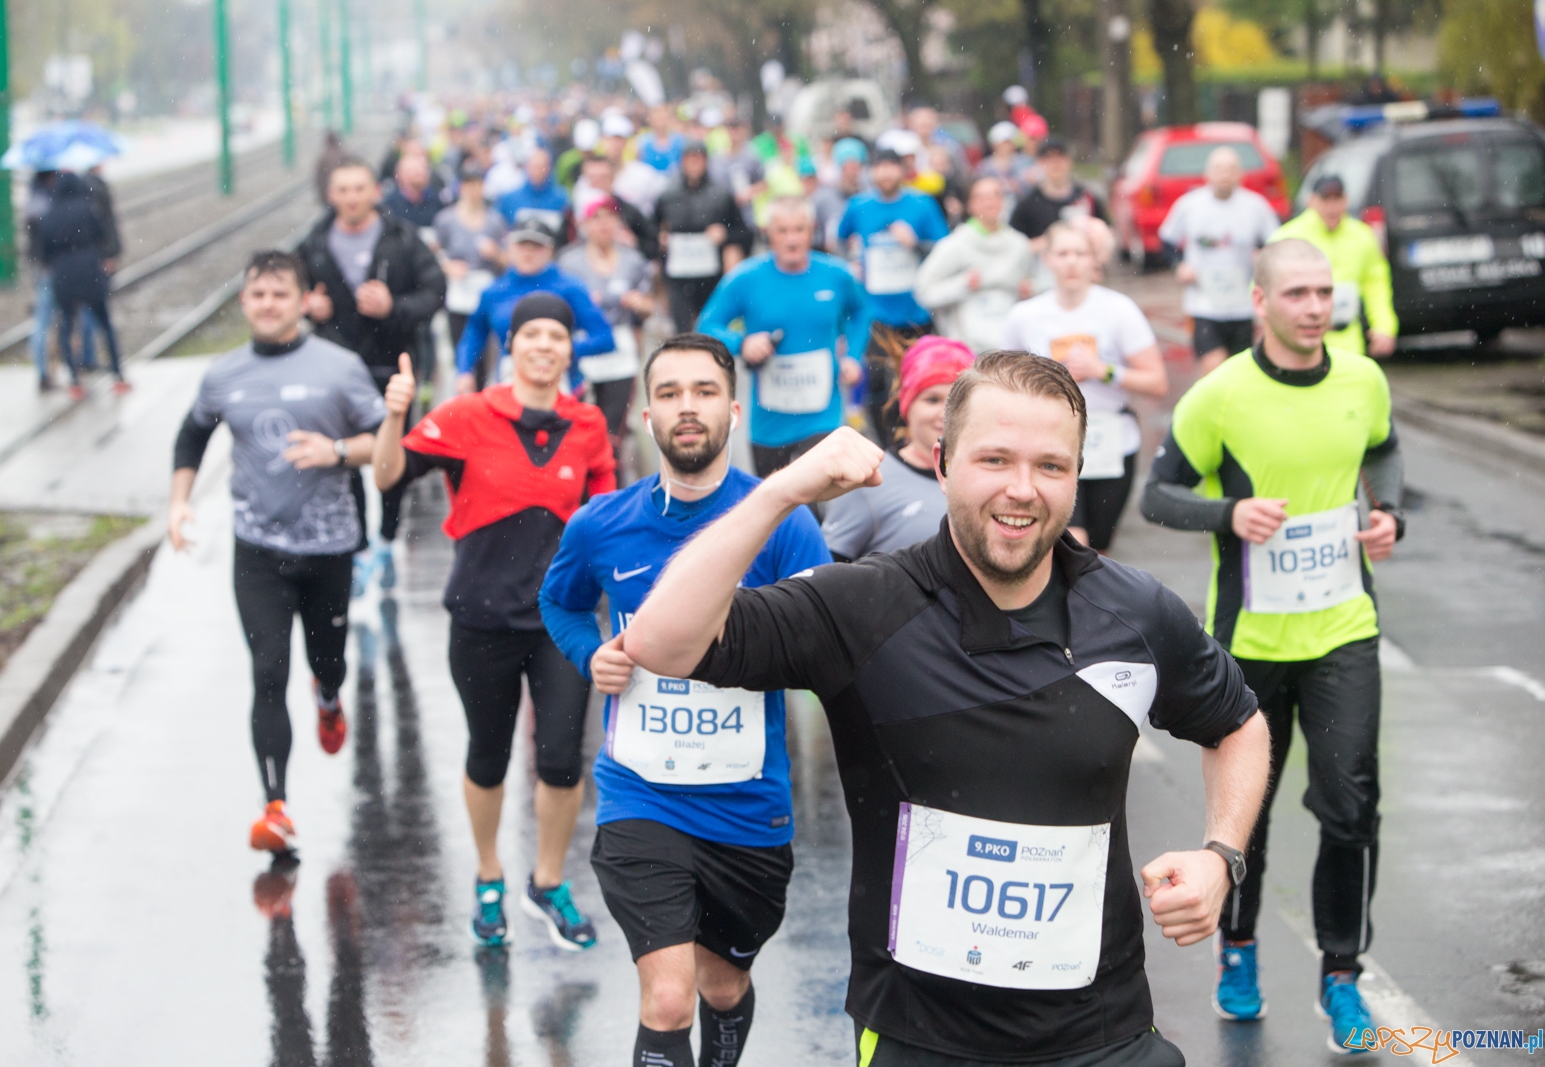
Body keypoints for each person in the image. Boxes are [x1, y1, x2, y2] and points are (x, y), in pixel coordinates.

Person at [621, 353, 1270, 1067]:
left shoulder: (1134, 612)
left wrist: (1221, 856)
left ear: (1077, 475)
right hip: (919, 1037)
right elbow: (661, 639)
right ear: (942, 462)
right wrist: (779, 493)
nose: (1021, 490)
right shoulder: (862, 606)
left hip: (1103, 1035)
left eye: (1051, 466)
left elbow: (1238, 722)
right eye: (994, 459)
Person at [1139, 238, 1405, 1053]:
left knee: (1351, 803)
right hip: (1249, 643)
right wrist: (1229, 515)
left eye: (1325, 292)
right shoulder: (1220, 396)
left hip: (1343, 628)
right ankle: (1241, 951)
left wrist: (1389, 514)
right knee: (1243, 817)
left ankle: (1342, 975)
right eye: (1296, 293)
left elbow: (1384, 451)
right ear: (1260, 300)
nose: (1316, 307)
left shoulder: (1363, 377)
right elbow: (1158, 494)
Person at [538, 333, 831, 1067]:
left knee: (722, 984)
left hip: (746, 805)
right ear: (646, 414)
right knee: (667, 997)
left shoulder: (782, 522)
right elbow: (561, 603)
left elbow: (822, 631)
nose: (687, 408)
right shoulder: (601, 523)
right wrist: (592, 653)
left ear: (734, 409)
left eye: (703, 391)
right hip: (642, 795)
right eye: (669, 393)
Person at [371, 293, 617, 951]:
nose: (543, 345)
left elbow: (606, 524)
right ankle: (488, 875)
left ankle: (548, 880)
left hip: (562, 621)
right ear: (509, 346)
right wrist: (395, 416)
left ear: (569, 349)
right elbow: (389, 474)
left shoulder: (589, 423)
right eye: (530, 334)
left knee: (563, 759)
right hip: (481, 619)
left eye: (555, 335)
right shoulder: (465, 416)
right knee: (489, 752)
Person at [168, 250, 387, 854]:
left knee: (328, 662)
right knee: (267, 673)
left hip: (330, 548)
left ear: (303, 301)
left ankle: (328, 697)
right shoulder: (223, 374)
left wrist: (338, 452)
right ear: (244, 302)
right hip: (258, 550)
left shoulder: (339, 368)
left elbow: (390, 442)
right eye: (257, 294)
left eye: (279, 294)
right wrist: (178, 503)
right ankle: (276, 807)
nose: (268, 304)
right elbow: (191, 435)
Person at [298, 158, 446, 595]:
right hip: (336, 366)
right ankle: (360, 544)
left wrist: (394, 307)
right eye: (342, 190)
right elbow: (295, 296)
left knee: (389, 457)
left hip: (389, 364)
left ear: (374, 192)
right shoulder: (315, 243)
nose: (351, 198)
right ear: (331, 195)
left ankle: (387, 538)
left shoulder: (401, 238)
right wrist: (311, 310)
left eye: (358, 189)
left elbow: (435, 291)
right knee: (345, 457)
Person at [1002, 222, 1166, 552]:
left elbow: (1156, 382)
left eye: (1080, 253)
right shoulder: (1025, 316)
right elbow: (1004, 384)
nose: (1072, 262)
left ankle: (1082, 602)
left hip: (1111, 441)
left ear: (1095, 260)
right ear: (1047, 259)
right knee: (1071, 541)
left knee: (1098, 549)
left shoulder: (1119, 311)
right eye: (1062, 253)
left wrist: (1102, 371)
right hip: (1049, 439)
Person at [697, 197, 869, 477]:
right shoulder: (747, 278)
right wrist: (742, 343)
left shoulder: (836, 275)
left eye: (799, 230)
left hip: (822, 417)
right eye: (783, 231)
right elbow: (707, 325)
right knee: (775, 509)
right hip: (769, 423)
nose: (792, 240)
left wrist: (853, 356)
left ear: (811, 230)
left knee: (816, 507)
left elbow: (860, 313)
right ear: (768, 233)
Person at [819, 335, 971, 561]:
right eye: (932, 400)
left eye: (957, 402)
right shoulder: (869, 482)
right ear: (906, 405)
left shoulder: (993, 478)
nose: (945, 414)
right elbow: (824, 574)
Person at [837, 147, 950, 443]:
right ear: (871, 171)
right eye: (879, 167)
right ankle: (886, 444)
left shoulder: (922, 204)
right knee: (876, 384)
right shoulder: (858, 206)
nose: (885, 173)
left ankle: (914, 440)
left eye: (891, 167)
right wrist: (851, 264)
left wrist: (916, 243)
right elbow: (837, 239)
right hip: (874, 312)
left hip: (915, 312)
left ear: (902, 170)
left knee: (917, 381)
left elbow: (945, 252)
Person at [454, 217, 616, 393]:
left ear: (550, 250)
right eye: (522, 245)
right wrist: (464, 370)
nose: (528, 252)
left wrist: (561, 350)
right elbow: (475, 333)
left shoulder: (571, 287)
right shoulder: (494, 291)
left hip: (563, 386)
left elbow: (604, 337)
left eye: (537, 246)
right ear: (509, 247)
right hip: (510, 384)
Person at [1157, 147, 1281, 372]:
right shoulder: (1190, 205)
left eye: (1231, 169)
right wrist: (1179, 265)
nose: (1225, 174)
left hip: (1242, 305)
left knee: (1239, 370)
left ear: (1240, 174)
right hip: (1203, 304)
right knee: (1213, 367)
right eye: (1219, 169)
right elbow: (1167, 240)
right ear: (1208, 173)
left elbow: (1276, 242)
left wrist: (1262, 256)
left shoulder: (1256, 206)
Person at [558, 194, 656, 459]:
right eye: (596, 218)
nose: (604, 225)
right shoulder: (569, 262)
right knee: (581, 421)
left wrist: (638, 303)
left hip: (621, 347)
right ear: (584, 224)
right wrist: (584, 307)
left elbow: (650, 306)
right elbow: (559, 308)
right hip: (585, 345)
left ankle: (610, 474)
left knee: (614, 426)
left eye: (610, 217)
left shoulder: (632, 259)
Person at [1271, 175, 1397, 358]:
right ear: (1311, 201)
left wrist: (1384, 325)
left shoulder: (1362, 236)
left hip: (1347, 341)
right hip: (1300, 343)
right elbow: (1267, 289)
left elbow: (1375, 284)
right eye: (1325, 199)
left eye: (1337, 199)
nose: (1332, 207)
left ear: (1346, 200)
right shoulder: (1288, 237)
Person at [916, 177, 1037, 354]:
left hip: (1011, 351)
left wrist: (1028, 292)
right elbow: (923, 292)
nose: (989, 202)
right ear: (970, 205)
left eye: (995, 195)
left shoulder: (1019, 245)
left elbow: (1035, 289)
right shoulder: (954, 245)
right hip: (967, 350)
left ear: (1003, 201)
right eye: (981, 197)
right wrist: (962, 284)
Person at [38, 172, 127, 398]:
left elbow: (42, 253)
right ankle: (118, 375)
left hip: (62, 275)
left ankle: (75, 382)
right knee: (104, 323)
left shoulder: (48, 214)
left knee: (68, 326)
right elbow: (101, 235)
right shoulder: (87, 208)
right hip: (89, 270)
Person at [654, 142, 752, 334]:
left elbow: (744, 234)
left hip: (710, 275)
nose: (694, 165)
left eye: (698, 160)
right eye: (689, 160)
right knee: (682, 330)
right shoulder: (667, 196)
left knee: (709, 327)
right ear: (682, 162)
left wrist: (725, 235)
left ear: (706, 162)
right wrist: (661, 239)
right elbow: (652, 231)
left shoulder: (721, 194)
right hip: (678, 275)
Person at [433, 161, 509, 359]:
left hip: (484, 287)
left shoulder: (495, 221)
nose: (473, 190)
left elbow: (508, 261)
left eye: (477, 184)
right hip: (458, 290)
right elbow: (433, 253)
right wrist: (447, 265)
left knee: (485, 351)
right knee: (458, 346)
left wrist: (495, 254)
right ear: (461, 187)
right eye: (468, 184)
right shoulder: (446, 220)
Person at [1009, 138, 1110, 244]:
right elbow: (1015, 246)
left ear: (1070, 160)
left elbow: (1107, 234)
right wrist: (1052, 241)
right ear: (1039, 162)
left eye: (1060, 156)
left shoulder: (1087, 197)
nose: (1055, 162)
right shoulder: (1027, 204)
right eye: (1049, 157)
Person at [577, 152, 662, 261]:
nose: (597, 183)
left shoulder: (628, 211)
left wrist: (635, 244)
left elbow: (652, 244)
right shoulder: (575, 212)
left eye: (603, 177)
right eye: (592, 178)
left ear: (613, 179)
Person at [496, 147, 572, 242]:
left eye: (542, 166)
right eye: (534, 166)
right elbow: (501, 230)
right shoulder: (509, 198)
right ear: (526, 167)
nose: (538, 171)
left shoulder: (562, 198)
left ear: (550, 168)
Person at [381, 151, 445, 229]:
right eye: (413, 170)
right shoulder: (389, 206)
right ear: (399, 175)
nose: (419, 173)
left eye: (423, 169)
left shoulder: (438, 200)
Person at [976, 122, 1030, 207]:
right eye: (1003, 142)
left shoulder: (1025, 163)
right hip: (993, 207)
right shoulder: (984, 166)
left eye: (1008, 142)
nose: (1006, 146)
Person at [635, 104, 687, 174]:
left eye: (662, 117)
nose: (660, 119)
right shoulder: (642, 141)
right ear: (650, 119)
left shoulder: (680, 141)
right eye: (657, 117)